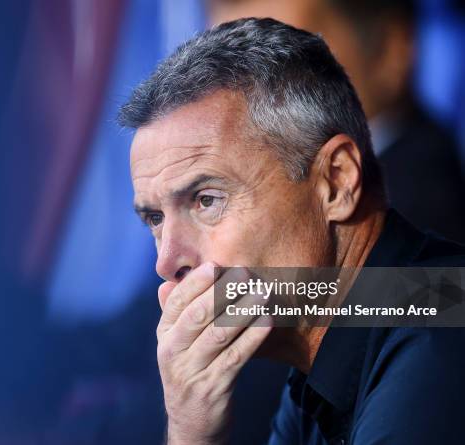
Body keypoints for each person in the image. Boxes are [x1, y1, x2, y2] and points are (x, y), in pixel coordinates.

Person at [118, 18, 465, 444]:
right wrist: (193, 427)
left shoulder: (440, 332)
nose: (167, 262)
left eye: (207, 199)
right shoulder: (323, 342)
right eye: (155, 218)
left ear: (337, 182)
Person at [206, 0, 465, 244]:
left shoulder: (422, 226)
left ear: (388, 51)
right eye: (225, 74)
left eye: (279, 67)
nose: (236, 102)